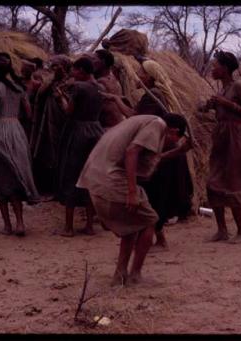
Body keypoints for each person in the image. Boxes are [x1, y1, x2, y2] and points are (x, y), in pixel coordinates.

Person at [76, 113, 187, 285]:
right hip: (110, 178)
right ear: (173, 131)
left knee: (132, 224)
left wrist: (177, 151)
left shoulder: (143, 122)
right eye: (173, 140)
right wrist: (132, 191)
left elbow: (148, 161)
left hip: (95, 176)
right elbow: (132, 152)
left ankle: (120, 274)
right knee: (150, 221)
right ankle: (135, 274)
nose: (169, 143)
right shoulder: (157, 125)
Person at [101, 58, 194, 249]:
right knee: (156, 196)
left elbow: (134, 117)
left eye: (142, 73)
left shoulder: (152, 96)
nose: (138, 76)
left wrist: (117, 100)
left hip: (159, 150)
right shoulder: (154, 95)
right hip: (162, 148)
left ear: (150, 78)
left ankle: (155, 239)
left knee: (154, 195)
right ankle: (158, 239)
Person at [205, 50, 241, 243]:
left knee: (234, 182)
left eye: (215, 65)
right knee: (213, 182)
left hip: (237, 138)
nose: (212, 69)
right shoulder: (223, 89)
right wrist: (212, 105)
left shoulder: (237, 87)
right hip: (222, 138)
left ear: (225, 68)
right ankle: (222, 230)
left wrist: (227, 104)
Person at [0, 52, 40, 236]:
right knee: (16, 174)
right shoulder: (19, 88)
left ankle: (7, 225)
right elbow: (29, 115)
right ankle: (20, 223)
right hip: (17, 132)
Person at [55, 57, 104, 237]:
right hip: (96, 131)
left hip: (78, 132)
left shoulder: (78, 88)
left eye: (74, 70)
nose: (72, 74)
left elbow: (69, 111)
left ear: (82, 71)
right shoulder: (100, 87)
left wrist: (61, 98)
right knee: (90, 177)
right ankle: (89, 225)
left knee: (71, 176)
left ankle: (68, 227)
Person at [30, 55, 72, 197]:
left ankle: (62, 189)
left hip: (63, 124)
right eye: (52, 66)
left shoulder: (71, 82)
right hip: (48, 123)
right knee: (49, 154)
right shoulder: (52, 81)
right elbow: (40, 94)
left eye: (56, 65)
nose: (53, 68)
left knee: (62, 154)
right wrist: (53, 79)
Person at [92, 49, 127, 128]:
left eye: (94, 59)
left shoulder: (101, 83)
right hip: (119, 125)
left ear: (103, 62)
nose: (92, 62)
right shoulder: (113, 78)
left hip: (108, 129)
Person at [20, 59, 41, 140]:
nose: (22, 71)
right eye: (23, 69)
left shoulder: (36, 84)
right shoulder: (18, 82)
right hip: (18, 113)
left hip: (30, 115)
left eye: (26, 69)